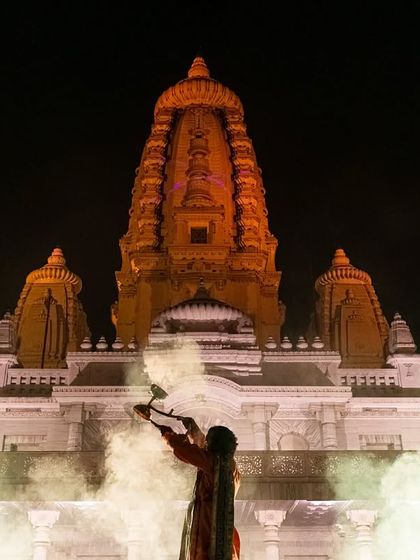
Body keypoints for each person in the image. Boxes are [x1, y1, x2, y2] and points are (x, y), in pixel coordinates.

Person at [159, 417, 241, 560]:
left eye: (208, 442)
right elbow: (203, 449)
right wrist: (193, 429)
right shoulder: (229, 466)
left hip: (208, 533)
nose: (206, 445)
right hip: (224, 536)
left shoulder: (213, 463)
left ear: (213, 446)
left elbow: (185, 450)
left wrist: (169, 436)